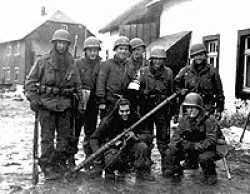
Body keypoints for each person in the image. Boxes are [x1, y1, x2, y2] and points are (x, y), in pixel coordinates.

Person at [25, 29, 84, 180]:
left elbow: (77, 85)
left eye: (65, 43)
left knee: (64, 139)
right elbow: (30, 82)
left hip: (65, 106)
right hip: (47, 105)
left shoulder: (72, 63)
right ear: (54, 43)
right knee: (47, 139)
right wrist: (33, 99)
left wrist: (79, 105)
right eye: (59, 43)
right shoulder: (43, 61)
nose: (62, 46)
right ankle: (47, 166)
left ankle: (59, 163)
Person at [89, 98, 155, 181]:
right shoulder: (108, 121)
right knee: (111, 157)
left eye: (127, 111)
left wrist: (136, 137)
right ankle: (109, 172)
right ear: (117, 110)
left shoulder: (135, 118)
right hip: (113, 149)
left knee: (142, 147)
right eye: (122, 111)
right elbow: (94, 138)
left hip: (130, 146)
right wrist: (98, 155)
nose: (125, 114)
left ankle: (141, 172)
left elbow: (148, 135)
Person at [164, 92, 219, 185]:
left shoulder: (209, 120)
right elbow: (175, 137)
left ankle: (210, 174)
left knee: (205, 158)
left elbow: (211, 140)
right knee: (170, 151)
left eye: (192, 107)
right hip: (190, 148)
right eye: (188, 107)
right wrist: (180, 144)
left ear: (199, 108)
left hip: (205, 149)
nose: (190, 110)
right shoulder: (184, 120)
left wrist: (196, 146)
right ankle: (177, 169)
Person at [139, 47, 174, 176]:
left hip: (163, 111)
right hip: (146, 110)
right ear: (151, 59)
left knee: (164, 141)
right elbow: (137, 91)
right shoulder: (143, 72)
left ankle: (167, 167)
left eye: (161, 59)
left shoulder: (169, 73)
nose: (158, 62)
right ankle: (145, 167)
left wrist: (172, 112)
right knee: (146, 140)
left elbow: (172, 92)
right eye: (155, 59)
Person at [72, 36, 102, 166]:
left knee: (90, 131)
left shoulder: (101, 65)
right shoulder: (78, 64)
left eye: (95, 50)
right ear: (85, 51)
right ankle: (70, 157)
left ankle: (89, 158)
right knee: (75, 131)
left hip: (93, 102)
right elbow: (75, 81)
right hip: (79, 99)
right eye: (90, 50)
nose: (93, 53)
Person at [174, 43, 225, 120]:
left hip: (206, 109)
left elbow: (219, 92)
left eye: (201, 55)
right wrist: (180, 91)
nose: (199, 57)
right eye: (196, 55)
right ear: (193, 57)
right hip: (189, 109)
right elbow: (175, 85)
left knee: (206, 130)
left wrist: (219, 110)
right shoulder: (185, 71)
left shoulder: (212, 72)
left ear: (205, 55)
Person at [96, 36, 133, 119]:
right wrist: (102, 101)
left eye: (126, 49)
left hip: (124, 103)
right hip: (109, 102)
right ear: (115, 50)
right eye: (120, 48)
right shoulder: (107, 64)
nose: (123, 51)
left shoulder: (130, 66)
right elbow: (100, 83)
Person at [125, 38, 148, 114]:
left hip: (143, 95)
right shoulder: (126, 63)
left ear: (143, 50)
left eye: (138, 49)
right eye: (134, 50)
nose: (136, 52)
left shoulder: (147, 64)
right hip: (129, 95)